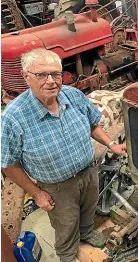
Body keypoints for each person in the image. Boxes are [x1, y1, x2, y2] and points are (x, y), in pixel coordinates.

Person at [1, 48, 128, 262]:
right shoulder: (13, 117)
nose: (51, 81)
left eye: (56, 74)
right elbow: (8, 164)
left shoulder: (73, 95)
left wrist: (111, 145)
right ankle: (68, 255)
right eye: (42, 74)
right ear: (26, 76)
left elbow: (93, 125)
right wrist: (37, 193)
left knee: (89, 210)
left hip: (89, 172)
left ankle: (86, 233)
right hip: (57, 187)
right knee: (66, 226)